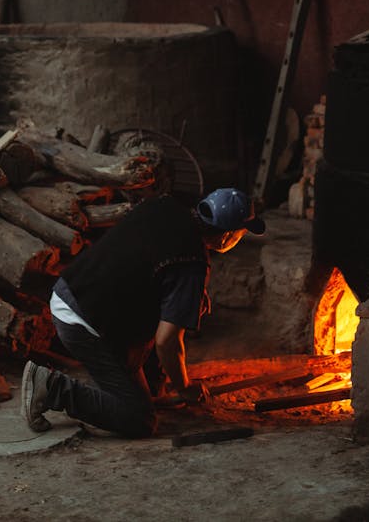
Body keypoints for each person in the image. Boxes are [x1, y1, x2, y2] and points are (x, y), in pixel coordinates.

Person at [21, 187, 265, 438]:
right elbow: (166, 341)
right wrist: (185, 387)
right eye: (241, 233)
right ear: (227, 236)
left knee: (187, 308)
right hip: (84, 320)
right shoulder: (191, 264)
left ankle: (134, 389)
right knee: (139, 418)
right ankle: (51, 387)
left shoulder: (165, 205)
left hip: (75, 290)